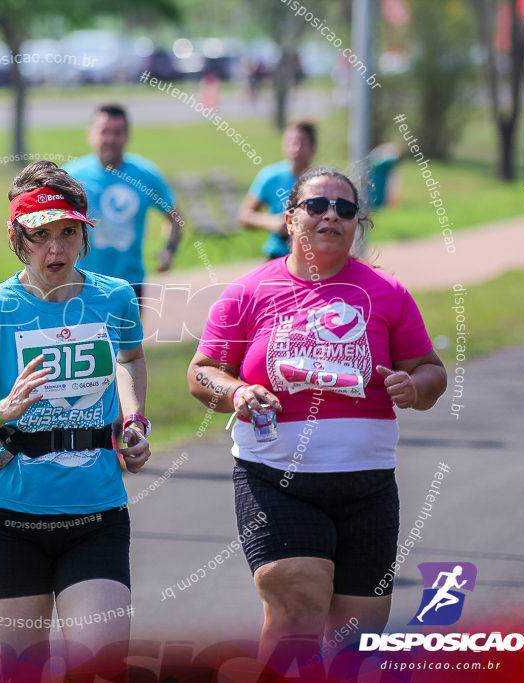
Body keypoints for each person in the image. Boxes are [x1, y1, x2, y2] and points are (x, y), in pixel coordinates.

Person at [188, 167, 447, 672]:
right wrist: (238, 389)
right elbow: (202, 374)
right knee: (297, 607)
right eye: (317, 205)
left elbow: (431, 370)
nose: (332, 215)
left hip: (368, 489)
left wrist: (415, 388)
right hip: (275, 481)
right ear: (288, 219)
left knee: (358, 644)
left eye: (345, 209)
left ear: (357, 224)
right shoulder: (247, 293)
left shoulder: (387, 293)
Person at [0, 160, 151, 677]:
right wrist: (2, 409)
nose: (55, 249)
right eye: (40, 236)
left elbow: (129, 361)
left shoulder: (115, 297)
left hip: (95, 515)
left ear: (83, 234)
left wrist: (135, 420)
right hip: (8, 521)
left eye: (68, 233)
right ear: (17, 238)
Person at [62, 104, 184, 301]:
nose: (110, 140)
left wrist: (169, 250)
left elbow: (175, 217)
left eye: (117, 133)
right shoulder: (70, 177)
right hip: (80, 286)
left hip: (129, 286)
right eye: (104, 132)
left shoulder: (145, 175)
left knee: (129, 333)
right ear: (90, 134)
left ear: (127, 136)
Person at [238, 121, 317, 260]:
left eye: (301, 143)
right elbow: (244, 216)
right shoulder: (270, 176)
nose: (295, 148)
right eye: (290, 142)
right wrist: (273, 222)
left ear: (312, 147)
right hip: (278, 255)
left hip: (314, 256)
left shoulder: (323, 180)